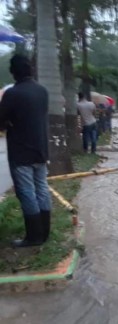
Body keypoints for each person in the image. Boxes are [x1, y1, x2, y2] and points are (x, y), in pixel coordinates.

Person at [0, 54, 52, 247]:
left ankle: (33, 237)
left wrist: (8, 123)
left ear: (13, 72)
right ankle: (44, 233)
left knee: (27, 192)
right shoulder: (42, 91)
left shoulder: (13, 94)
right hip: (40, 149)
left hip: (21, 152)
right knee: (41, 189)